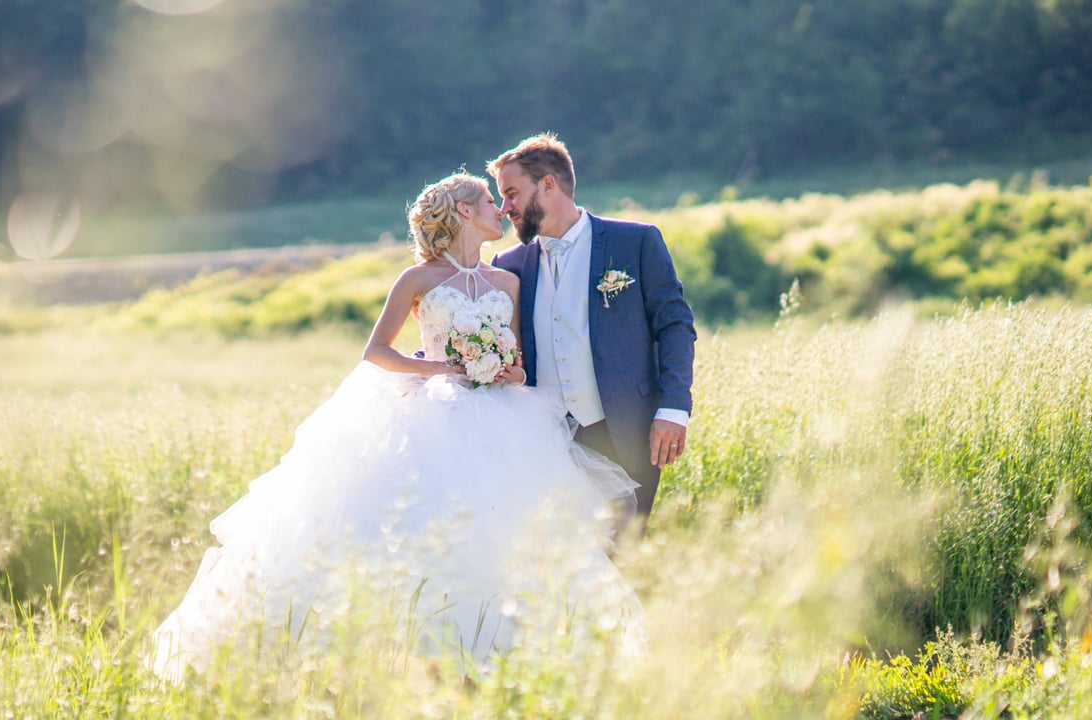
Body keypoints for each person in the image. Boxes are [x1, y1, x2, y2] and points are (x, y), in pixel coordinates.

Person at [148, 171, 642, 683]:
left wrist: (502, 369)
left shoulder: (507, 282)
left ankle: (499, 662)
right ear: (464, 213)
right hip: (437, 412)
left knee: (505, 532)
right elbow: (376, 352)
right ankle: (397, 661)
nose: (501, 209)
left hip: (504, 416)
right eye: (489, 201)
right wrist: (439, 368)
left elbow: (517, 363)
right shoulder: (418, 279)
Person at [489, 133, 697, 532]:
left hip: (626, 430)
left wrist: (673, 408)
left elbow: (675, 327)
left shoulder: (635, 241)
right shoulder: (508, 264)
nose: (505, 208)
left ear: (548, 184)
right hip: (545, 441)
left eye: (512, 193)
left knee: (623, 555)